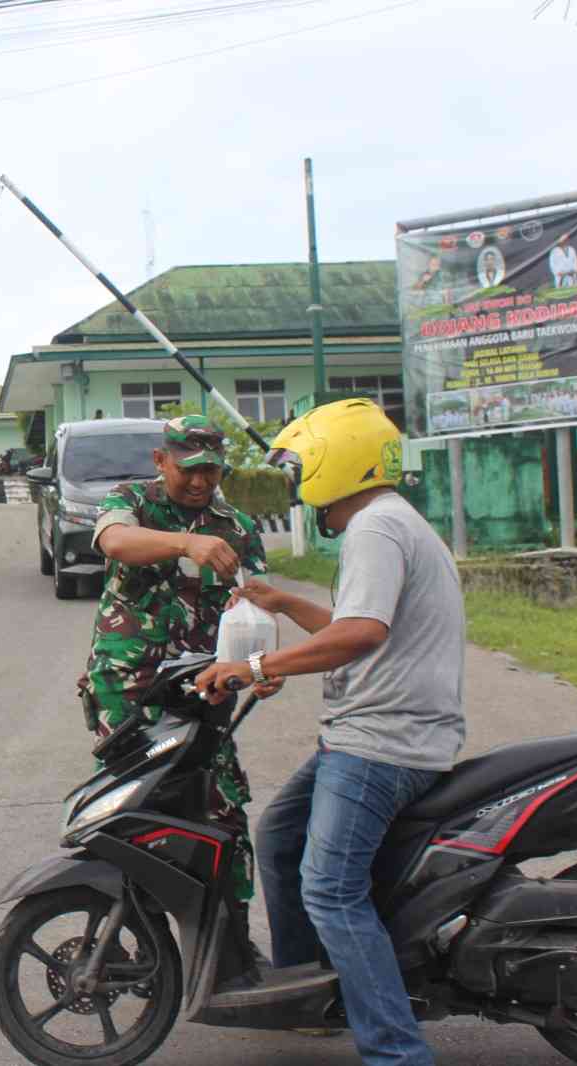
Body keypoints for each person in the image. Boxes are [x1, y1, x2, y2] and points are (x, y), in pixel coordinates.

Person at [195, 398, 465, 1066]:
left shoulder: (377, 528)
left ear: (335, 464)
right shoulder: (391, 523)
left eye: (301, 465)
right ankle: (308, 998)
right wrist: (284, 603)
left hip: (381, 744)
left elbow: (361, 633)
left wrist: (253, 665)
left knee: (330, 889)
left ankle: (397, 1053)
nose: (295, 480)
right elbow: (360, 626)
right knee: (280, 839)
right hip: (367, 735)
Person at [81, 414, 267, 938]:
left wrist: (261, 665)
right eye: (189, 469)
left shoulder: (237, 528)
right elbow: (116, 542)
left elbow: (256, 608)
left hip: (203, 699)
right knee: (134, 814)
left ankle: (230, 948)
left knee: (223, 811)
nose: (201, 482)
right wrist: (185, 544)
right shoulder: (131, 502)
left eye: (212, 469)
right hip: (129, 692)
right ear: (160, 460)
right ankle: (133, 939)